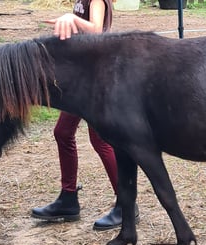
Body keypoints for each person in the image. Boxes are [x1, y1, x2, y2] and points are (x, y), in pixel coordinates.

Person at [31, 0, 139, 231]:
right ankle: (68, 198)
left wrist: (73, 20)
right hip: (82, 77)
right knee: (63, 132)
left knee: (100, 140)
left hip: (96, 79)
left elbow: (97, 30)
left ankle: (126, 204)